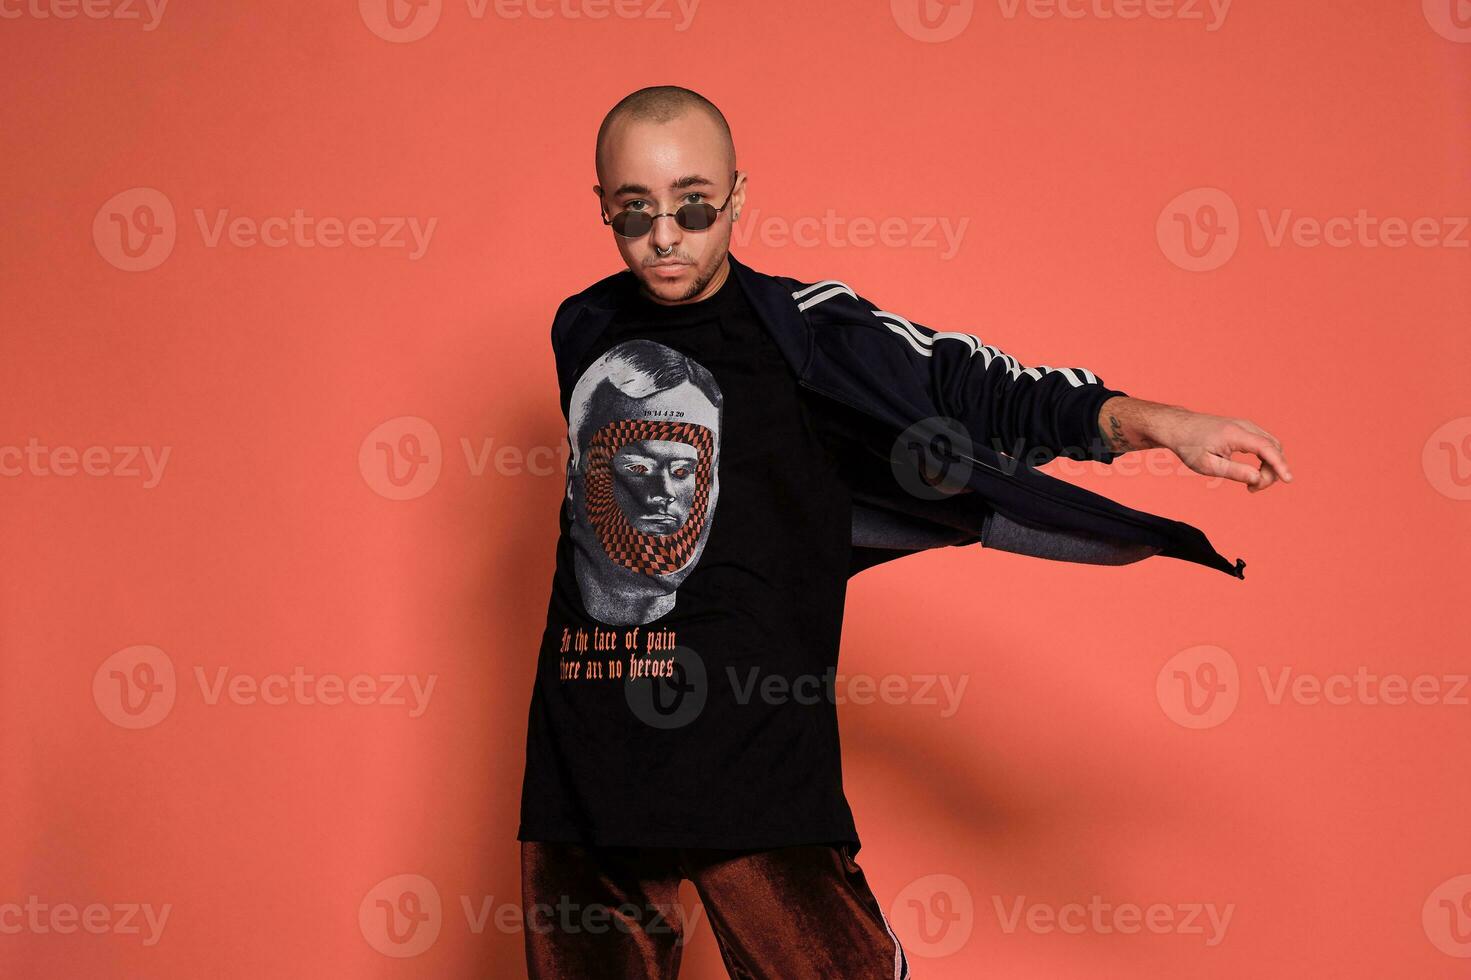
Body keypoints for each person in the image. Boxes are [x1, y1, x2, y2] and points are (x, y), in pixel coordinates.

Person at [517, 85, 1292, 980]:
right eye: (633, 210)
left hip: (755, 771)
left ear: (736, 195)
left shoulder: (803, 333)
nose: (663, 234)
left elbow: (979, 391)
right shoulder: (582, 325)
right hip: (583, 766)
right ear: (602, 207)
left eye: (692, 205)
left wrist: (1161, 424)